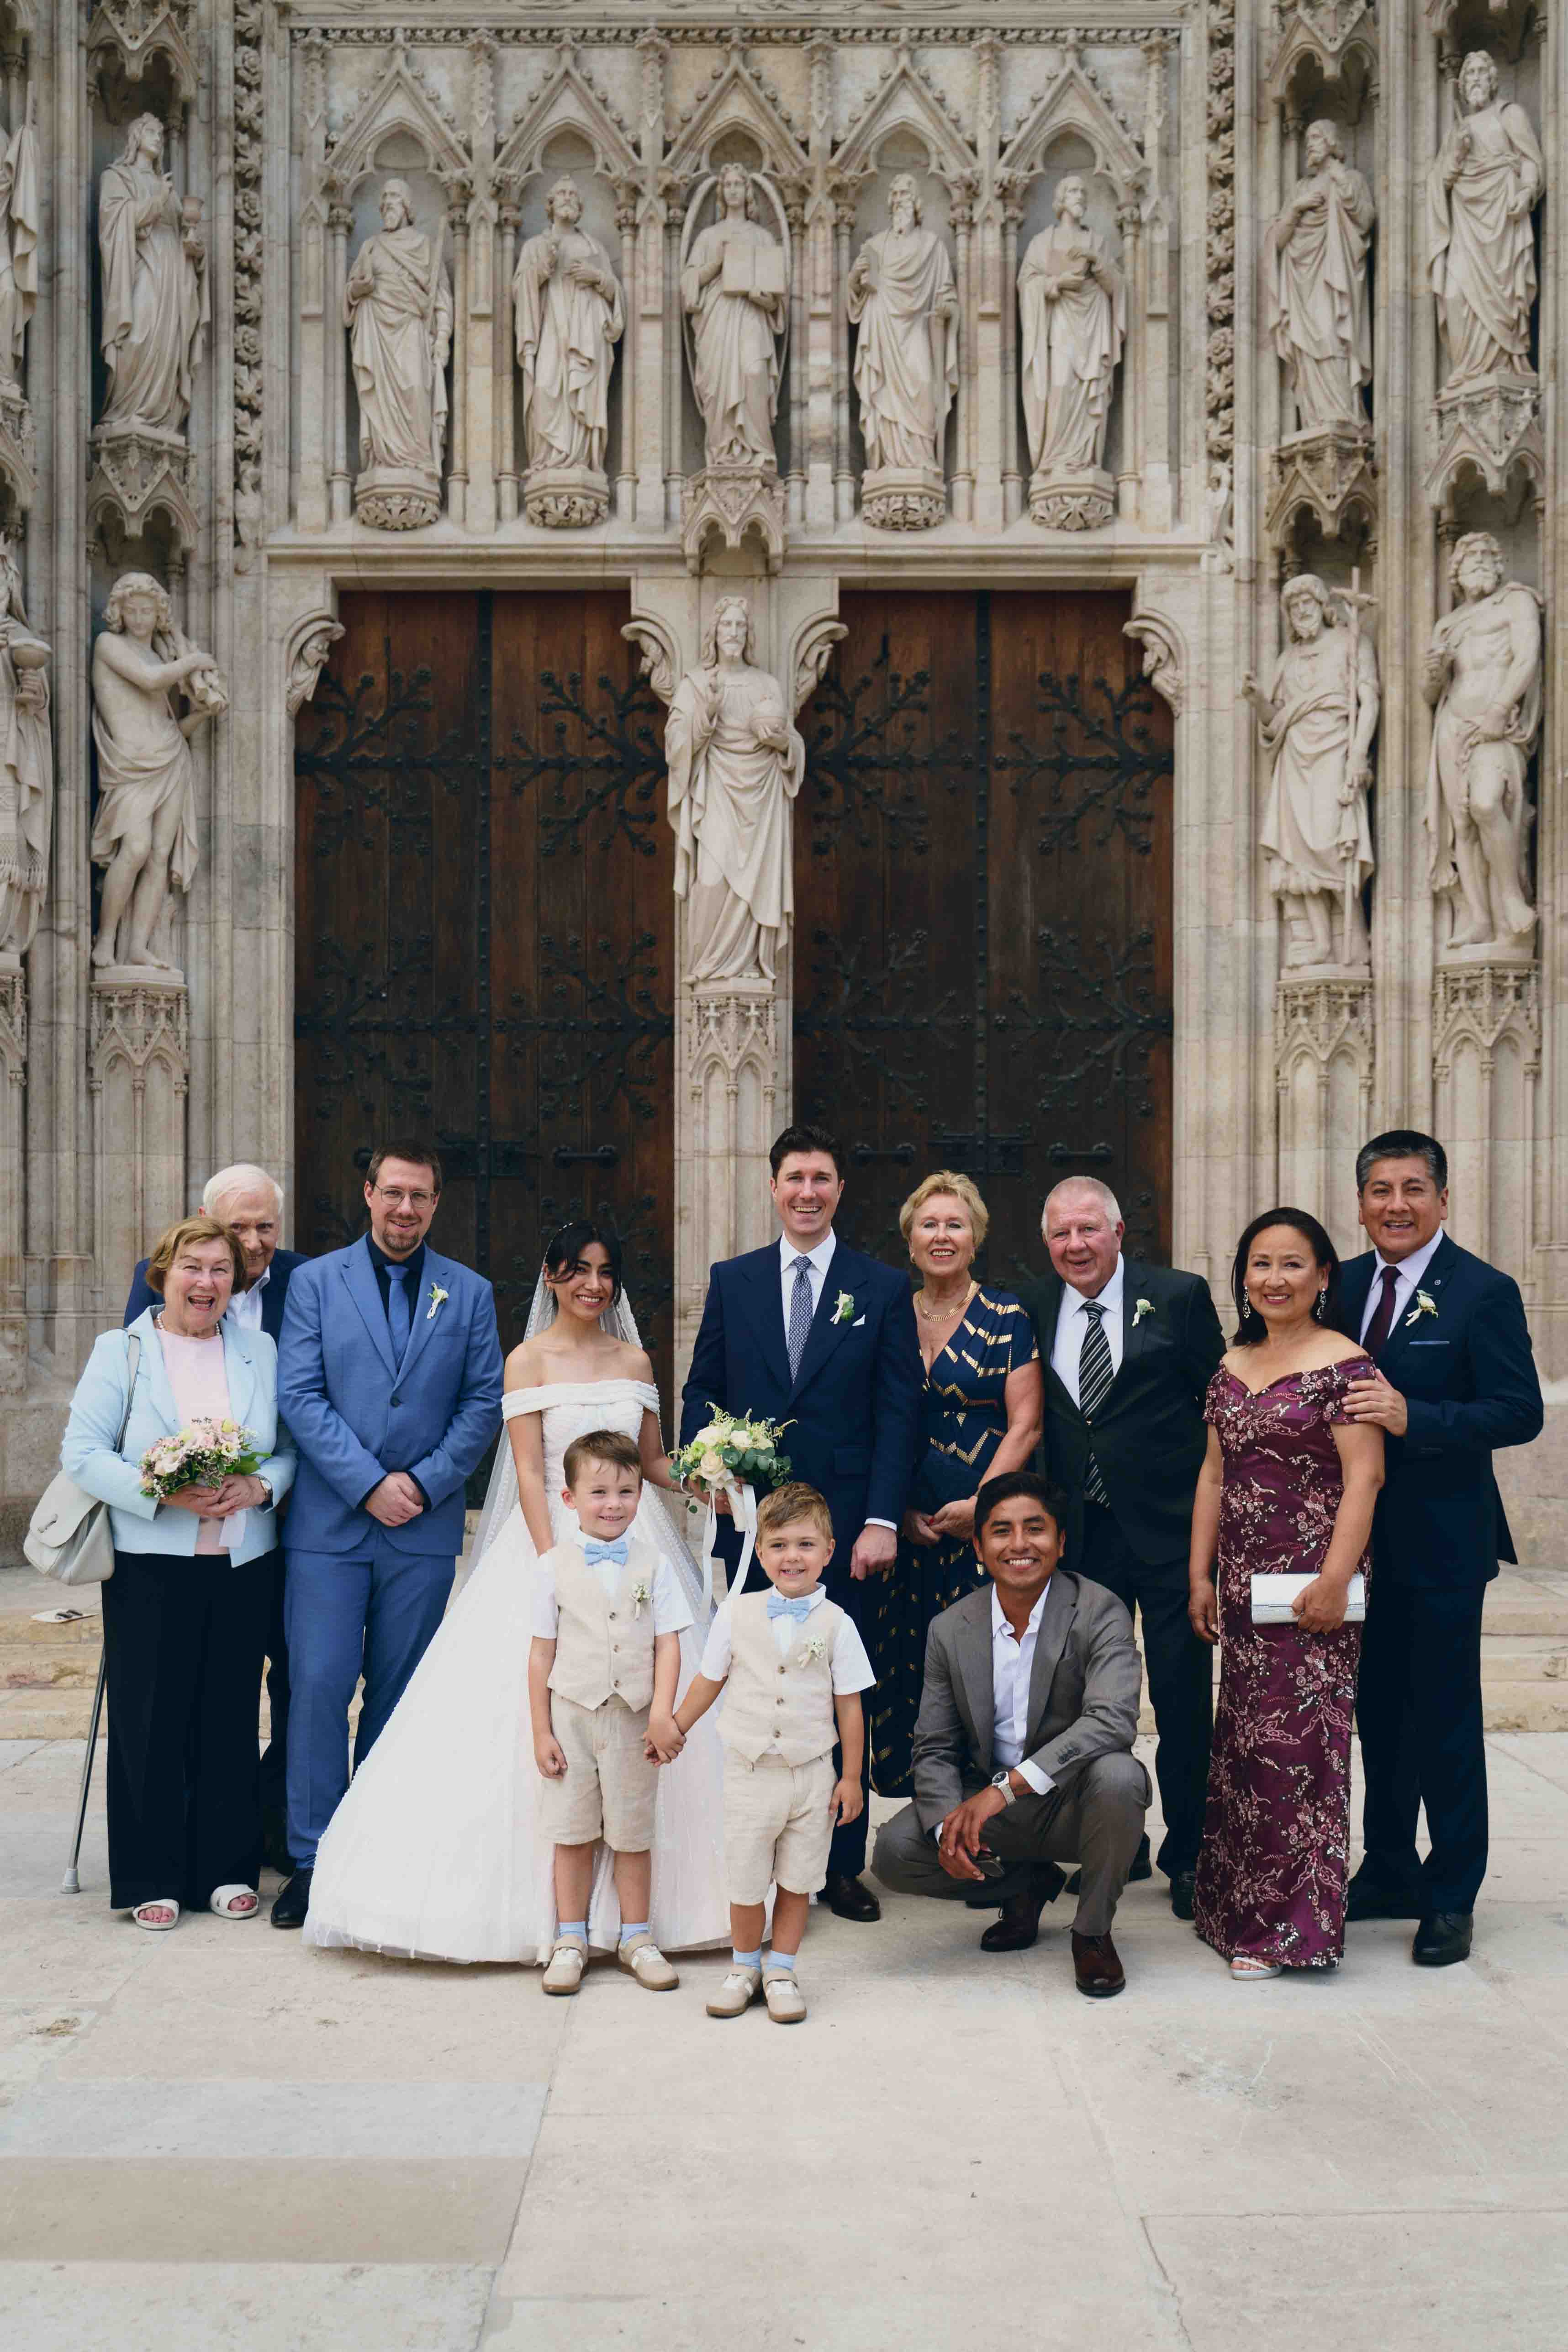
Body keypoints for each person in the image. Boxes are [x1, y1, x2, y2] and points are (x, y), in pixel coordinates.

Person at [301, 1221, 728, 1964]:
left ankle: (641, 1923)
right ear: (551, 1275)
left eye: (604, 1272)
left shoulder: (634, 1359)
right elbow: (530, 1471)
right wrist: (552, 1564)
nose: (592, 1285)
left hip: (636, 1547)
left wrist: (707, 1484)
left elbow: (653, 1460)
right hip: (552, 1542)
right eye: (577, 1271)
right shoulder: (526, 1361)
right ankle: (558, 1923)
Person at [681, 1122, 923, 1923]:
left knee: (831, 1690)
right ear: (774, 1185)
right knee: (757, 1686)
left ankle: (837, 1866)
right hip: (754, 1530)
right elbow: (700, 1391)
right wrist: (707, 1470)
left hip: (847, 1529)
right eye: (794, 1178)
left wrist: (882, 1519)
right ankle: (753, 1850)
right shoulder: (734, 1279)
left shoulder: (880, 1288)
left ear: (839, 1189)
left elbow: (898, 1413)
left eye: (821, 1178)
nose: (807, 1192)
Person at [270, 1142, 502, 1929]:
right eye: (393, 1194)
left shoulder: (467, 1293)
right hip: (331, 1528)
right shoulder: (313, 1283)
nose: (406, 1210)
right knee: (320, 1689)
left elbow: (482, 1403)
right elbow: (299, 1395)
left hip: (422, 1531)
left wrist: (427, 1482)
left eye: (421, 1198)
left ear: (437, 1205)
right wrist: (368, 1483)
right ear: (368, 1193)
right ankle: (312, 1858)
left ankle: (380, 1850)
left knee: (399, 1698)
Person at [1335, 1131, 1543, 1967]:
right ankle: (1385, 1867)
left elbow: (1516, 1411)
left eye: (1413, 1189)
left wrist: (1415, 1418)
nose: (1395, 1205)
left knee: (1443, 1722)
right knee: (1376, 1716)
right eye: (1380, 1190)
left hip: (1445, 1544)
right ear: (1359, 1204)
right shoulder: (1338, 1286)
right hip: (1357, 1545)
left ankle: (1451, 1892)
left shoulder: (1482, 1292)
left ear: (1442, 1200)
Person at [59, 1214, 295, 1930]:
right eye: (193, 1267)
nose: (207, 1282)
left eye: (221, 1270)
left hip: (240, 1560)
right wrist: (161, 1488)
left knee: (227, 1716)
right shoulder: (122, 1350)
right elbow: (84, 1451)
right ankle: (150, 1875)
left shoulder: (258, 1349)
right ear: (163, 1272)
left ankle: (224, 1870)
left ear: (237, 1281)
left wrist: (260, 1488)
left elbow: (286, 1449)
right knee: (151, 1719)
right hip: (150, 1564)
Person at [1018, 1176, 1225, 1915]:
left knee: (1178, 1701)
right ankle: (1119, 1841)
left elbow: (1221, 1408)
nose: (1075, 1246)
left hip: (1170, 1536)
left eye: (1087, 1230)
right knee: (1089, 1705)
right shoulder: (1033, 1307)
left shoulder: (1178, 1296)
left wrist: (1216, 1538)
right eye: (1060, 1235)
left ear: (1116, 1231)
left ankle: (1191, 1856)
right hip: (1084, 1541)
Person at [1188, 1210, 1383, 1979]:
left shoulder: (1349, 1369)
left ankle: (1285, 1935)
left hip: (1309, 1596)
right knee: (1241, 1750)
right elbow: (1212, 1474)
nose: (1274, 1279)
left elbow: (1364, 1478)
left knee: (1296, 1761)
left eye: (1292, 1264)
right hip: (1241, 1591)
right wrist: (1197, 1574)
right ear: (1242, 1277)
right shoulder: (1232, 1364)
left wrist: (1336, 1581)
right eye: (1259, 1264)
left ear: (1323, 1275)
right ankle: (1231, 1907)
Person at [872, 1471, 1149, 1999]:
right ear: (978, 1545)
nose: (1019, 1544)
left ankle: (1091, 1931)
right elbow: (933, 1745)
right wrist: (945, 1833)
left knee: (1119, 1775)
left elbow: (1112, 1719)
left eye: (1035, 1529)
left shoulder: (1099, 1608)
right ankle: (1026, 1883)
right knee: (895, 1850)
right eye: (1001, 1530)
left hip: (1073, 1801)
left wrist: (1002, 1790)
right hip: (994, 1815)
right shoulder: (950, 1628)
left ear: (1060, 1541)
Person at [125, 1163, 307, 1870]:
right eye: (237, 1228)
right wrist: (163, 1481)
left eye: (266, 1226)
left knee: (290, 1678)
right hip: (174, 1541)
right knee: (189, 1687)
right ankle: (185, 1837)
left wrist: (262, 1486)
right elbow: (136, 1395)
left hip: (281, 1528)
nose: (254, 1242)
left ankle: (272, 1827)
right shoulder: (157, 1282)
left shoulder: (311, 1280)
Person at [674, 1483, 875, 2025]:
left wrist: (851, 1776)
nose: (793, 1557)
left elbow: (850, 1707)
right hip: (749, 1769)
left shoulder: (838, 1623)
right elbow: (708, 1680)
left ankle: (782, 1967)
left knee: (798, 1877)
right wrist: (675, 1727)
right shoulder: (735, 1614)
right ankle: (744, 1966)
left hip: (812, 1774)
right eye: (780, 1545)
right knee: (745, 1875)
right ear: (759, 1552)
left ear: (829, 1551)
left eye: (806, 1544)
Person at [871, 1171, 1042, 1799]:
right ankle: (929, 1818)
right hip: (910, 1524)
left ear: (976, 1239)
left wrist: (984, 1509)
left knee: (984, 1671)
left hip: (984, 1526)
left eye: (955, 1224)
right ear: (909, 1241)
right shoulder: (889, 1314)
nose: (942, 1235)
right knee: (909, 1666)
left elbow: (1026, 1423)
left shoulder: (1004, 1314)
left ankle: (987, 1822)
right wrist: (895, 1511)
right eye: (929, 1224)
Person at [532, 1429, 689, 1998]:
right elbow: (541, 1652)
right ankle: (570, 1937)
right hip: (572, 1713)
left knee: (631, 1829)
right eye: (598, 1491)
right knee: (571, 1830)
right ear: (570, 1498)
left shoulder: (655, 1563)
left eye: (626, 1490)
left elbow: (668, 1643)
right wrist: (541, 1730)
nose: (613, 1503)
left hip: (633, 1716)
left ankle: (636, 1936)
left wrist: (662, 1713)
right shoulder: (552, 1566)